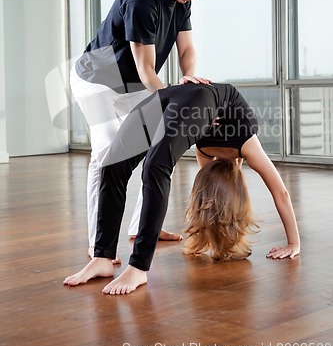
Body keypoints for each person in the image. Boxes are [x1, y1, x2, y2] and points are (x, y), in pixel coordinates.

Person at [63, 83, 301, 294]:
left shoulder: (205, 153)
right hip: (196, 100)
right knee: (152, 167)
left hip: (177, 96)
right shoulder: (247, 142)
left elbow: (207, 198)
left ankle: (118, 261)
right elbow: (281, 192)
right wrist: (294, 243)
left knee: (115, 165)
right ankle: (117, 261)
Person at [70, 0, 219, 258]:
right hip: (97, 79)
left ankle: (142, 226)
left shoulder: (182, 1)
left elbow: (187, 49)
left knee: (162, 142)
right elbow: (147, 68)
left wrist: (188, 75)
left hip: (132, 84)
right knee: (108, 151)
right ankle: (99, 246)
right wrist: (174, 101)